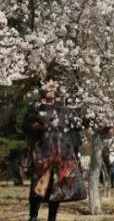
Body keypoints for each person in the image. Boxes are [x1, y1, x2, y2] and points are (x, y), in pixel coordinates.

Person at [24, 80, 85, 221]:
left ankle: (52, 218)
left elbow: (75, 126)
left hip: (61, 153)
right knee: (38, 186)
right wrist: (35, 127)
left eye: (53, 86)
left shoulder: (62, 107)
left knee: (57, 187)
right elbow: (25, 126)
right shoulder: (35, 106)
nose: (50, 88)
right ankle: (33, 216)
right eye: (47, 85)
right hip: (42, 152)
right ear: (42, 88)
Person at [100, 126, 114, 195]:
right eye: (109, 132)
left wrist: (111, 149)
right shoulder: (104, 140)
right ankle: (110, 188)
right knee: (108, 175)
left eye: (112, 132)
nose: (110, 133)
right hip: (106, 159)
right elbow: (102, 148)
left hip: (113, 159)